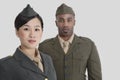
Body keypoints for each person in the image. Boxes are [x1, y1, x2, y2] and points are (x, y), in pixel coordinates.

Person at [39, 3, 102, 80]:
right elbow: (39, 76)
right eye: (61, 20)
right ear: (56, 23)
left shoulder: (88, 45)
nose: (65, 24)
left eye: (69, 20)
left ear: (74, 22)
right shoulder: (44, 47)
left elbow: (96, 78)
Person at [0, 4, 57, 80]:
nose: (32, 35)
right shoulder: (5, 65)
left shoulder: (48, 59)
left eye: (36, 29)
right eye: (26, 29)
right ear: (17, 32)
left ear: (42, 32)